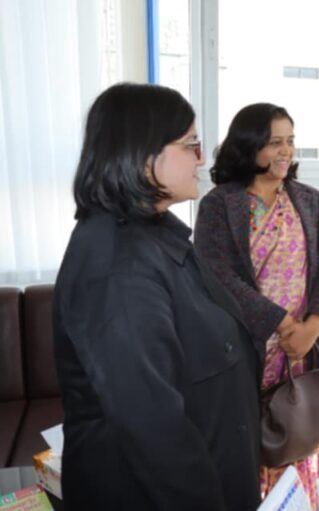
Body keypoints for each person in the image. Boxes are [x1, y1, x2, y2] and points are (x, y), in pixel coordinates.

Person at [53, 83, 262, 510]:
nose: (201, 158)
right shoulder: (117, 270)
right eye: (190, 145)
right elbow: (153, 428)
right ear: (143, 154)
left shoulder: (154, 232)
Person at [194, 103, 319, 507]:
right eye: (274, 142)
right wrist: (281, 324)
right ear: (249, 146)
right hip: (245, 353)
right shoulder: (218, 206)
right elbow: (218, 278)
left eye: (290, 141)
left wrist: (313, 326)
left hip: (302, 354)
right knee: (245, 463)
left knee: (298, 448)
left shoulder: (311, 201)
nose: (286, 151)